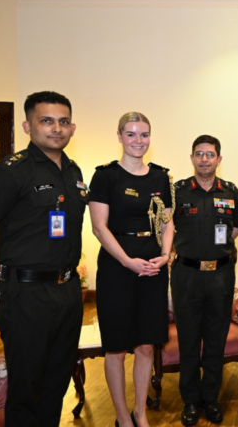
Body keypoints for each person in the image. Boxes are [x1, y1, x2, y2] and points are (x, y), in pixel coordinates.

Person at [0, 91, 88, 426]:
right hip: (26, 295)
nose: (56, 128)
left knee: (56, 381)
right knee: (26, 387)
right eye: (46, 120)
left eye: (63, 121)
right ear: (28, 126)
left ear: (72, 128)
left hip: (67, 291)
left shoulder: (73, 172)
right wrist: (1, 266)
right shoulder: (9, 172)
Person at [88, 112, 174, 427]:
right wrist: (127, 261)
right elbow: (99, 227)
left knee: (147, 343)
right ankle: (123, 417)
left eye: (144, 134)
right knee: (116, 347)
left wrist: (165, 255)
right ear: (120, 136)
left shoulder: (161, 177)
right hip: (117, 269)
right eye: (131, 134)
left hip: (153, 268)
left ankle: (141, 412)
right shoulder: (105, 176)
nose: (139, 140)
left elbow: (167, 223)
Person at [171, 135, 238, 426]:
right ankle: (190, 400)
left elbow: (237, 227)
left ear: (219, 159)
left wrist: (218, 249)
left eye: (210, 154)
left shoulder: (231, 191)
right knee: (188, 338)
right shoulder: (176, 191)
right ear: (192, 158)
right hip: (186, 274)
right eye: (199, 154)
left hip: (220, 275)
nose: (204, 159)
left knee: (216, 337)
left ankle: (211, 398)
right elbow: (166, 227)